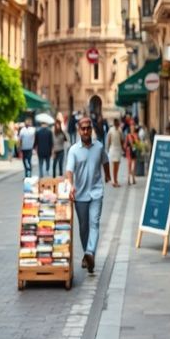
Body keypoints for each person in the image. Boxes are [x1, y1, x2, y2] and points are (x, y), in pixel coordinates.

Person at [66, 116, 110, 274]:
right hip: (80, 195)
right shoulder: (73, 150)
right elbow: (69, 171)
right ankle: (88, 255)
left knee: (94, 224)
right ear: (78, 131)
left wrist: (108, 175)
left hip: (97, 192)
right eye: (83, 128)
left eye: (88, 128)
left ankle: (90, 252)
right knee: (84, 228)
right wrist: (70, 185)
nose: (85, 131)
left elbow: (105, 160)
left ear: (91, 129)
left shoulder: (99, 146)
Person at [106, 117, 124, 187]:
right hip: (114, 149)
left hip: (117, 149)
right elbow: (109, 140)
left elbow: (121, 140)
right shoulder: (112, 130)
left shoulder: (119, 130)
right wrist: (108, 149)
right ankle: (114, 181)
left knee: (116, 166)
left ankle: (115, 180)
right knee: (114, 166)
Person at [124, 119, 140, 185]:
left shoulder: (129, 135)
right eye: (132, 126)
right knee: (131, 166)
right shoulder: (134, 135)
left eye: (132, 126)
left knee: (131, 166)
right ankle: (131, 179)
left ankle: (131, 179)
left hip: (131, 152)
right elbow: (138, 144)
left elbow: (125, 145)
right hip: (131, 152)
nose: (132, 127)